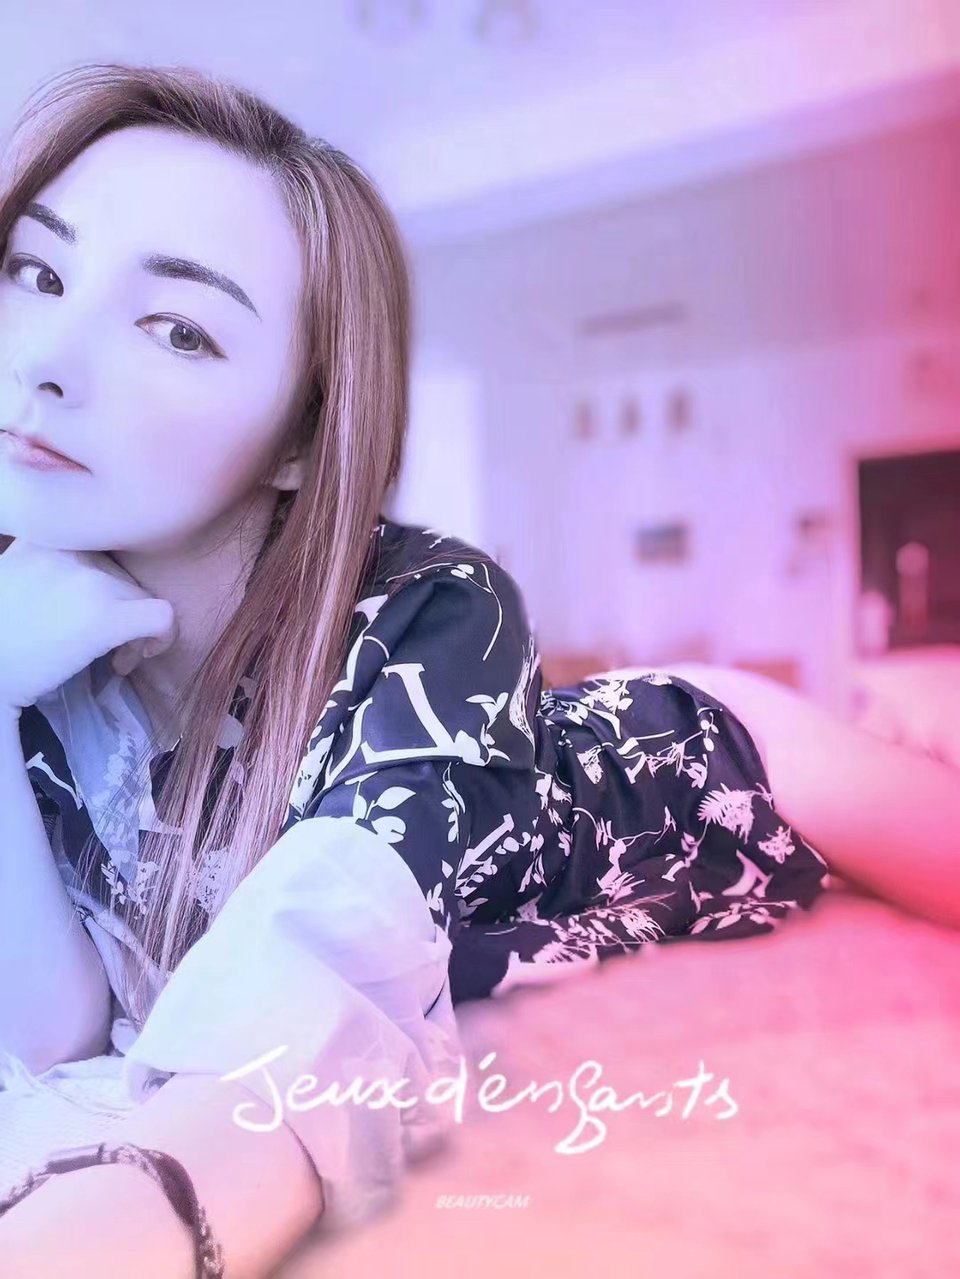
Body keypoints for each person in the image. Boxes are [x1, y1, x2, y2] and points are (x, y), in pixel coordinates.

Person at [0, 60, 956, 1279]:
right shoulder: (37, 641)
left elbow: (311, 997)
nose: (44, 357)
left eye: (180, 329)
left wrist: (128, 1221)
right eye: (38, 273)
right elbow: (55, 1029)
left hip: (703, 757)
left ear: (301, 437)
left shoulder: (433, 608)